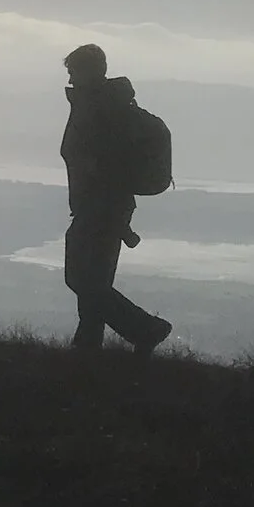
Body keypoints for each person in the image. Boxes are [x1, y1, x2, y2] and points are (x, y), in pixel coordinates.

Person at [60, 43, 170, 354]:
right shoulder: (102, 106)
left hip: (101, 207)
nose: (69, 79)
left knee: (81, 279)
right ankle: (87, 347)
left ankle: (146, 328)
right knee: (93, 281)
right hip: (106, 207)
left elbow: (102, 164)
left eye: (73, 72)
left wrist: (100, 202)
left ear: (87, 72)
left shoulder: (102, 111)